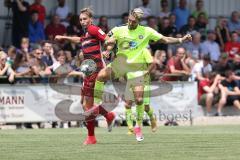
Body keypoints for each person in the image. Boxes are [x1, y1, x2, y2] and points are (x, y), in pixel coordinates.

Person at [94, 8, 192, 142]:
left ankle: (138, 127)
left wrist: (181, 40)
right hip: (121, 63)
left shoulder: (146, 31)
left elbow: (165, 39)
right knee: (100, 76)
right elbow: (109, 40)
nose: (130, 23)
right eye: (129, 20)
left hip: (137, 68)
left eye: (133, 21)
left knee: (139, 100)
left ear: (138, 21)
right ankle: (97, 104)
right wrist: (108, 50)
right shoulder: (119, 29)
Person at [55, 8, 115, 145]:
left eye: (85, 19)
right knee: (85, 106)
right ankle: (108, 115)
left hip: (97, 70)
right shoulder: (86, 34)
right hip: (89, 71)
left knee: (88, 107)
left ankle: (91, 137)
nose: (82, 21)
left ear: (90, 20)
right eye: (81, 19)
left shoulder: (94, 29)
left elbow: (109, 39)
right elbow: (79, 40)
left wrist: (107, 50)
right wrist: (64, 37)